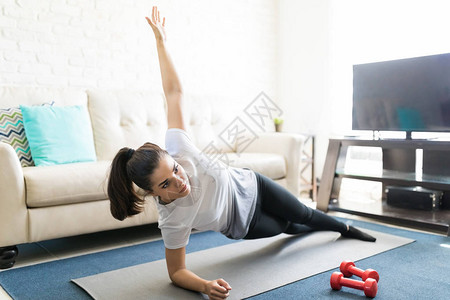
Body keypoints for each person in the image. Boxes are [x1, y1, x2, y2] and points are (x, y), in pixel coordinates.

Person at [107, 6, 376, 300]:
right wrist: (204, 285)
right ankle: (309, 230)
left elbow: (174, 93)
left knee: (301, 211)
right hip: (242, 222)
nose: (178, 180)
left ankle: (345, 228)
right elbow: (176, 272)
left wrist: (161, 43)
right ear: (153, 192)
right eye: (165, 184)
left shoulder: (179, 147)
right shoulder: (172, 219)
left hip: (250, 183)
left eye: (174, 169)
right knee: (287, 225)